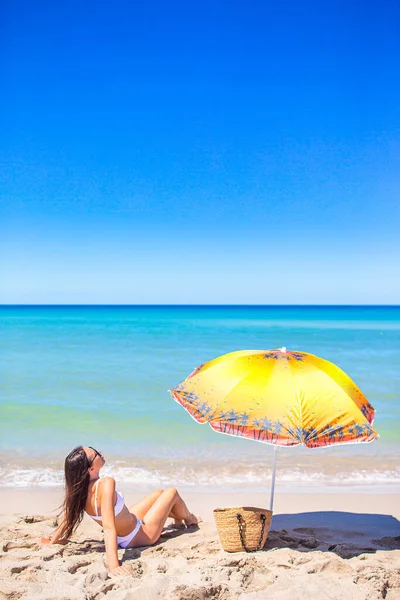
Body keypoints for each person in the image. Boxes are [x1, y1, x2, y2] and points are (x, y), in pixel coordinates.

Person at [41, 445, 199, 577]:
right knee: (171, 492)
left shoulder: (79, 491)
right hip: (141, 535)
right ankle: (190, 519)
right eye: (95, 453)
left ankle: (178, 519)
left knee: (158, 493)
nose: (100, 451)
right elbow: (109, 527)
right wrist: (114, 566)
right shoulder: (106, 483)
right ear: (91, 468)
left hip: (125, 530)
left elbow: (68, 517)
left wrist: (53, 540)